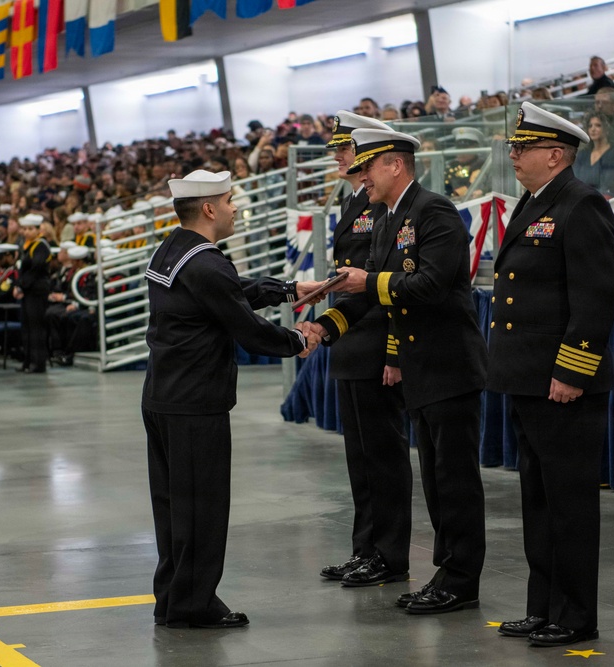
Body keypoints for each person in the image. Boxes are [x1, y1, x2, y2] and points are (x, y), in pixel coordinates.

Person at [313, 127, 488, 615]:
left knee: (454, 481)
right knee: (435, 480)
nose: (360, 175)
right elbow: (373, 294)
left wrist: (370, 281)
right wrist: (325, 326)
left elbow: (431, 284)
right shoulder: (390, 219)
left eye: (367, 166)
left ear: (395, 164)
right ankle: (449, 573)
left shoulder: (432, 210)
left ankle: (460, 578)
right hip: (421, 366)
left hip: (448, 366)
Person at [141, 169, 323, 630]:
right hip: (196, 403)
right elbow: (244, 325)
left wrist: (286, 290)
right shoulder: (207, 262)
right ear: (208, 209)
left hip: (164, 398)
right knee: (202, 507)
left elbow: (226, 294)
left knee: (173, 508)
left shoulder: (175, 249)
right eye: (228, 200)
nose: (234, 207)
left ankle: (173, 598)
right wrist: (296, 340)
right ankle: (194, 605)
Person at [489, 102, 614, 648]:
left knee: (568, 504)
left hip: (560, 382)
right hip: (526, 378)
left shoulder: (581, 204)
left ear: (555, 154)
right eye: (515, 147)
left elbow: (594, 298)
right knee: (537, 501)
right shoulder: (535, 201)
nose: (514, 156)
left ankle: (575, 614)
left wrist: (572, 370)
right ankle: (542, 606)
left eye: (523, 148)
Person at [315, 111, 413, 589]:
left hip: (375, 341)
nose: (337, 155)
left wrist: (393, 352)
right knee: (361, 458)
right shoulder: (358, 202)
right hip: (351, 339)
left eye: (344, 149)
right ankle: (366, 548)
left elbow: (385, 283)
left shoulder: (382, 209)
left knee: (383, 456)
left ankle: (389, 554)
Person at [13, 214, 51, 373]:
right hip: (28, 291)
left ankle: (38, 363)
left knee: (36, 329)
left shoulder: (41, 246)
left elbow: (35, 269)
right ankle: (27, 361)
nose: (27, 232)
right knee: (27, 327)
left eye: (30, 229)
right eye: (25, 229)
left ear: (37, 230)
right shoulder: (26, 245)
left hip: (36, 291)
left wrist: (20, 286)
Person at [573, 111, 614, 196]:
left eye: (598, 125)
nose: (593, 129)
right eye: (590, 126)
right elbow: (574, 181)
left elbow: (609, 184)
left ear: (606, 129)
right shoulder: (583, 154)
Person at [444, 127, 487, 199]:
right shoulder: (451, 166)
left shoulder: (484, 165)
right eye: (459, 148)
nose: (461, 152)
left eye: (465, 148)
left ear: (476, 148)